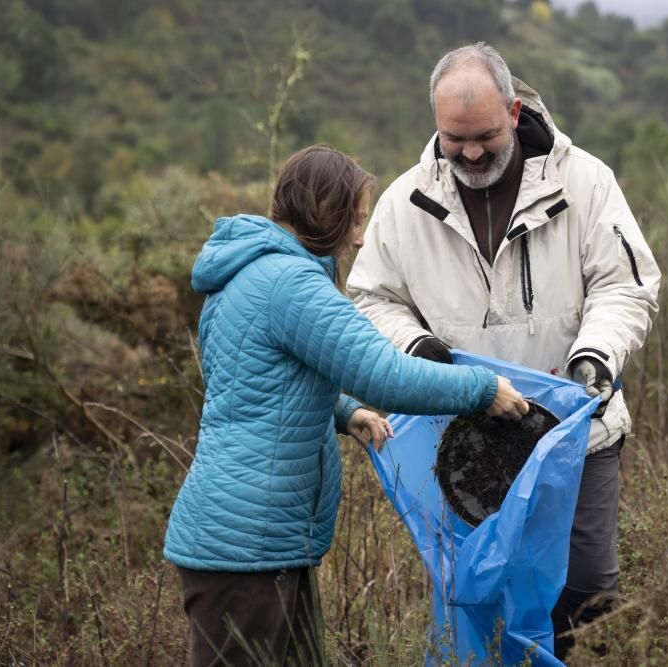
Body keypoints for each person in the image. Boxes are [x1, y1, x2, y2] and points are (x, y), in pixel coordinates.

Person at [346, 43, 661, 658]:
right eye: (452, 138)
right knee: (482, 592)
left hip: (577, 434)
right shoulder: (405, 204)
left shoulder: (587, 184)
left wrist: (593, 357)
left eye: (484, 136)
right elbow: (369, 299)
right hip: (460, 442)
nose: (468, 153)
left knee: (587, 589)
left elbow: (626, 285)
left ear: (514, 112)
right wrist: (418, 347)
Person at [163, 144, 529, 666]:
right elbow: (386, 375)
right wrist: (481, 387)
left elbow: (261, 379)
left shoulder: (246, 277)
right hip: (247, 549)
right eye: (355, 221)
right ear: (325, 212)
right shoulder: (291, 286)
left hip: (255, 542)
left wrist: (345, 411)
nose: (359, 237)